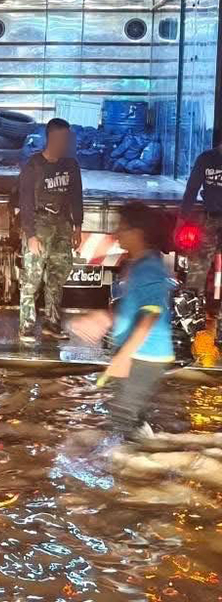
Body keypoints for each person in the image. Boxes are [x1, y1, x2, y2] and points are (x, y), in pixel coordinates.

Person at [72, 202, 173, 441]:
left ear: (138, 232)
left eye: (122, 227)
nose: (116, 233)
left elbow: (151, 315)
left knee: (121, 419)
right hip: (137, 354)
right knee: (130, 419)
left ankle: (135, 459)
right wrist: (105, 317)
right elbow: (133, 307)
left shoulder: (149, 268)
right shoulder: (137, 265)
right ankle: (145, 451)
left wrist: (124, 356)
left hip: (145, 355)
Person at [18, 117, 83, 343]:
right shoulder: (34, 166)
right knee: (32, 278)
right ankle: (26, 326)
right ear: (50, 138)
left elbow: (76, 196)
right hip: (40, 225)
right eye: (60, 138)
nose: (64, 143)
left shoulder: (70, 165)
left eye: (67, 138)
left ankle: (52, 323)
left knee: (57, 277)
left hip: (62, 226)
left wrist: (77, 226)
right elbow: (25, 202)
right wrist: (31, 235)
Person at [179, 143, 222, 301]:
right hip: (212, 219)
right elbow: (191, 189)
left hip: (211, 220)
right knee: (198, 266)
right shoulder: (207, 158)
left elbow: (192, 189)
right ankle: (193, 306)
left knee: (199, 265)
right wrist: (182, 219)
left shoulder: (206, 158)